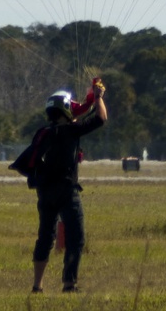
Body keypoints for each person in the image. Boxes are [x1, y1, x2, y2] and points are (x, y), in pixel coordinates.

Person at [30, 78, 107, 294]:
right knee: (76, 237)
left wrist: (87, 101)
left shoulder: (42, 133)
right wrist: (98, 97)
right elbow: (101, 118)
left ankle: (37, 286)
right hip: (66, 191)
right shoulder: (71, 131)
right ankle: (69, 284)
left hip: (44, 192)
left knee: (45, 237)